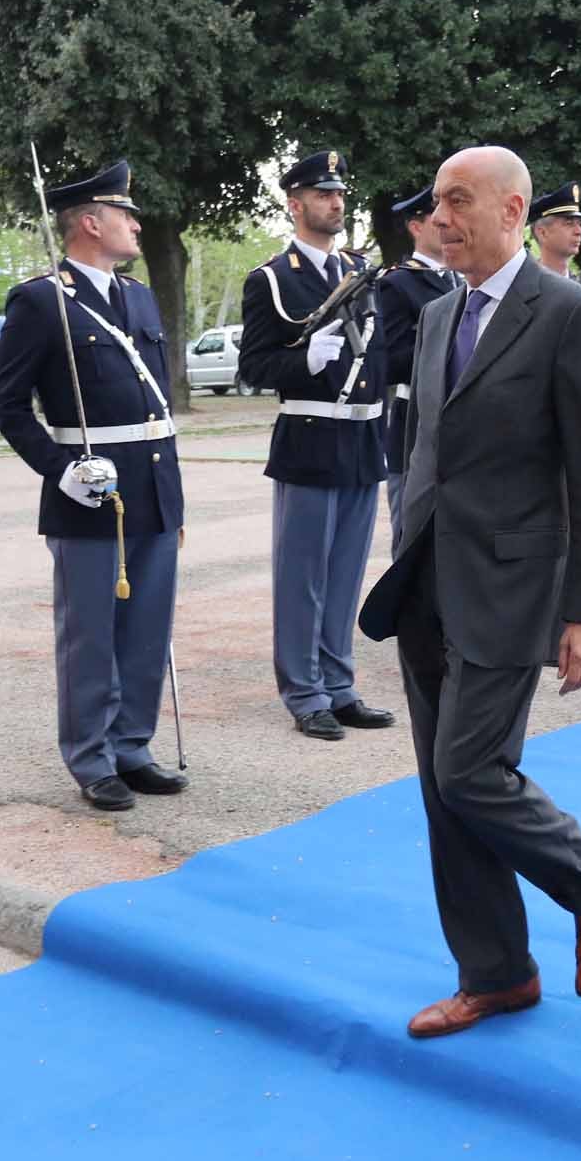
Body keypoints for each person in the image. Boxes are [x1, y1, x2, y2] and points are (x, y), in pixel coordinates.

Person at [356, 145, 581, 1040]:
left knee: (471, 772)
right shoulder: (438, 317)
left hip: (515, 586)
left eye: (458, 201)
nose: (441, 218)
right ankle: (497, 974)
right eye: (437, 202)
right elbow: (423, 453)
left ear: (512, 211)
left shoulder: (569, 314)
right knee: (443, 793)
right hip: (429, 583)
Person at [0, 158, 187, 812]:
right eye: (125, 213)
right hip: (89, 490)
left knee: (146, 628)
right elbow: (9, 404)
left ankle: (133, 746)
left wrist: (174, 500)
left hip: (151, 486)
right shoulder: (40, 300)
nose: (135, 224)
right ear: (92, 222)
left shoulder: (137, 297)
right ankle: (91, 755)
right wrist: (60, 470)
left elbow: (154, 406)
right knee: (92, 635)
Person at [239, 149, 393, 742]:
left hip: (359, 436)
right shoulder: (273, 280)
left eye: (339, 194)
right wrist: (303, 360)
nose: (336, 203)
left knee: (347, 573)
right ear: (295, 203)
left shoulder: (357, 271)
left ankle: (339, 683)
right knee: (303, 576)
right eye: (323, 194)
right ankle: (304, 693)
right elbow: (254, 365)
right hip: (308, 436)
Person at [375, 184, 459, 552]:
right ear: (415, 227)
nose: (446, 223)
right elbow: (391, 361)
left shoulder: (463, 280)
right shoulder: (399, 283)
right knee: (412, 540)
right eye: (435, 217)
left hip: (461, 420)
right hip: (416, 420)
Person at [527, 181, 581, 278]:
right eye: (569, 223)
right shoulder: (522, 286)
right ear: (542, 233)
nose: (580, 231)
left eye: (580, 224)